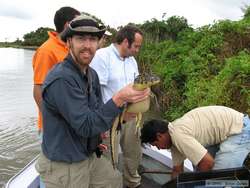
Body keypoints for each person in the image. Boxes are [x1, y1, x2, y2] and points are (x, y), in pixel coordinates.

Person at [35, 14, 150, 188]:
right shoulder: (62, 79)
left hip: (87, 153)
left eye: (93, 39)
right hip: (65, 163)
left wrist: (123, 116)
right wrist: (119, 98)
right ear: (68, 42)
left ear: (99, 43)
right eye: (81, 39)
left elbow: (95, 111)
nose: (87, 46)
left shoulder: (91, 75)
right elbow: (86, 126)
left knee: (113, 181)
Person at [91, 25, 144, 188]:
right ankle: (111, 184)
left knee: (133, 153)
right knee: (109, 157)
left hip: (130, 115)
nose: (137, 50)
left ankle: (132, 182)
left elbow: (136, 86)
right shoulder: (102, 56)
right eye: (136, 46)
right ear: (126, 42)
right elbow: (94, 92)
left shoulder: (132, 60)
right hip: (109, 118)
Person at [140, 106, 250, 179]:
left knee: (218, 178)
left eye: (156, 145)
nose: (159, 149)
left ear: (159, 136)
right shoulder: (173, 137)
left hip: (239, 130)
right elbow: (177, 170)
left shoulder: (178, 135)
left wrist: (194, 183)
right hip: (225, 133)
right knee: (199, 166)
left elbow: (208, 163)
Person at [32, 6, 80, 136]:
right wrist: (51, 120)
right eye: (78, 23)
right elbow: (39, 88)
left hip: (72, 121)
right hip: (54, 126)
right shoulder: (46, 51)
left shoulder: (70, 47)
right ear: (68, 25)